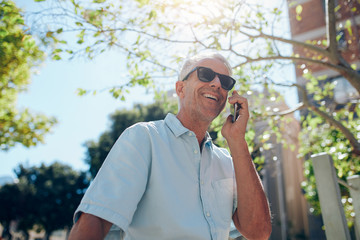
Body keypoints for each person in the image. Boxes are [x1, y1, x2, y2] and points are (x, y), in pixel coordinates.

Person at [68, 52, 272, 240]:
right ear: (180, 89)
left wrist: (238, 141)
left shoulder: (228, 161)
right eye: (206, 74)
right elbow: (96, 219)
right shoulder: (144, 138)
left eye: (225, 81)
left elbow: (258, 232)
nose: (217, 83)